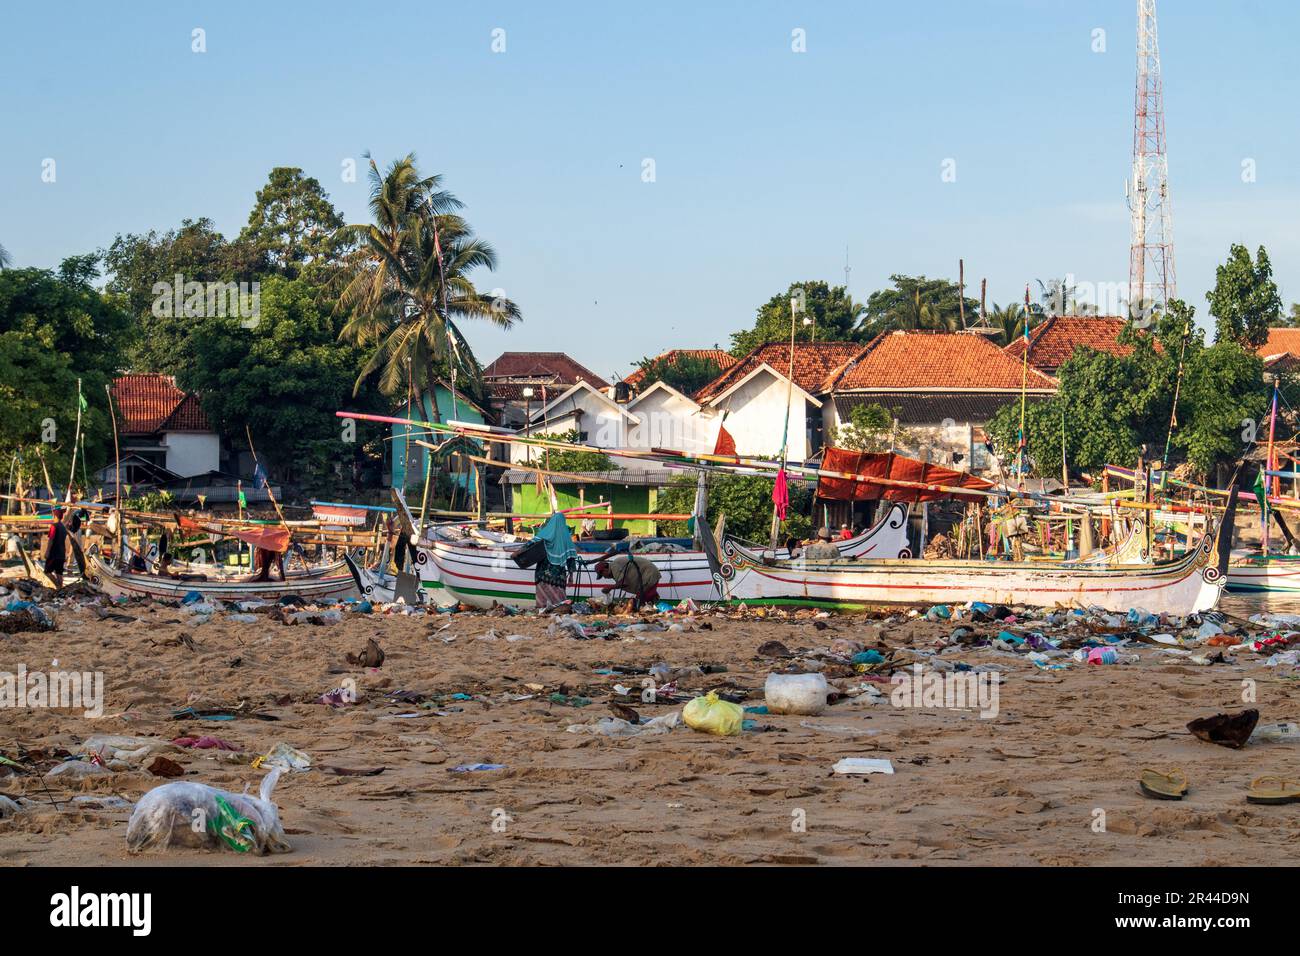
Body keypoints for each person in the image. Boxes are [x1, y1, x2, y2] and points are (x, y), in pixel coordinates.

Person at [595, 553, 662, 610]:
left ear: (605, 569)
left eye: (603, 575)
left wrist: (609, 588)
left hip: (649, 573)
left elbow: (624, 583)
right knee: (647, 598)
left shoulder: (614, 566)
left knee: (640, 601)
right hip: (649, 574)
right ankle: (657, 605)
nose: (605, 577)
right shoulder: (614, 567)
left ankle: (656, 607)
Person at [42, 507, 69, 588]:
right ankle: (61, 589)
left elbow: (51, 540)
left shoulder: (54, 526)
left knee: (47, 571)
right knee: (59, 573)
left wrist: (47, 551)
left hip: (54, 553)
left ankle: (58, 586)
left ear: (55, 516)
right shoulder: (63, 527)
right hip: (61, 553)